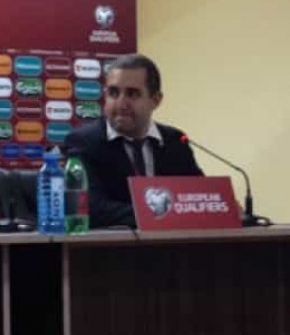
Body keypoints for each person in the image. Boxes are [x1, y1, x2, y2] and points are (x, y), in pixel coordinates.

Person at [64, 53, 202, 228]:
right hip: (113, 244)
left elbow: (199, 199)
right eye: (113, 93)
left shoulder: (174, 141)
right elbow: (86, 207)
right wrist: (162, 214)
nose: (121, 104)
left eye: (132, 94)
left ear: (156, 100)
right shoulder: (83, 142)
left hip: (174, 242)